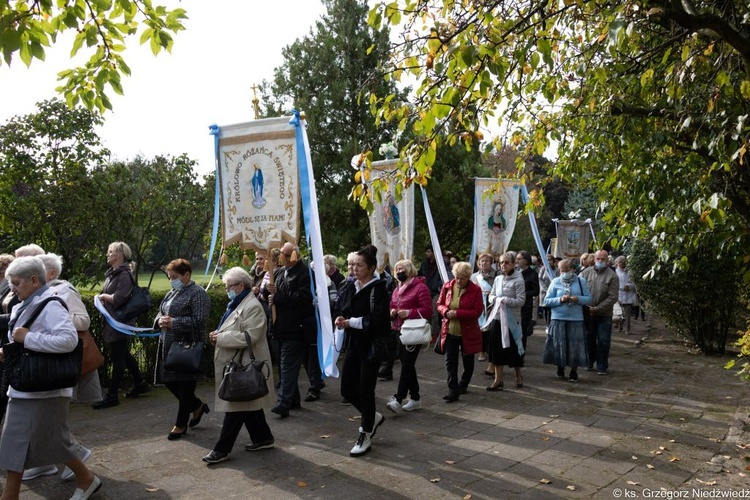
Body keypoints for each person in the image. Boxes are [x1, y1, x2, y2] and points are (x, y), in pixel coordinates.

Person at [0, 256, 102, 500]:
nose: (12, 288)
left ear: (34, 280)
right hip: (27, 386)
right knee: (32, 441)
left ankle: (85, 479)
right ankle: (85, 479)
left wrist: (27, 339)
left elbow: (68, 340)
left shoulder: (51, 304)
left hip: (44, 388)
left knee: (43, 441)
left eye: (16, 283)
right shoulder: (26, 302)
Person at [33, 253, 97, 482]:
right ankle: (48, 461)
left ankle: (75, 455)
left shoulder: (64, 291)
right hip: (50, 359)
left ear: (50, 273)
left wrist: (56, 320)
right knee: (50, 415)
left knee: (54, 416)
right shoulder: (45, 292)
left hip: (63, 361)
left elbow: (83, 320)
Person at [202, 267, 276, 464]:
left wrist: (221, 338)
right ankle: (263, 438)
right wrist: (218, 335)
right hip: (237, 362)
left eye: (229, 286)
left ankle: (222, 449)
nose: (226, 289)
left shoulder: (252, 305)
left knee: (236, 407)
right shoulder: (237, 303)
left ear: (240, 286)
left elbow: (250, 336)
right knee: (249, 404)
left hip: (243, 365)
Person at [335, 245, 389, 456]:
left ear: (372, 267)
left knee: (366, 390)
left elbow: (378, 320)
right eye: (351, 264)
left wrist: (351, 322)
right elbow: (342, 308)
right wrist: (340, 319)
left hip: (371, 346)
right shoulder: (350, 286)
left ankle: (365, 432)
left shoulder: (378, 289)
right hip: (354, 345)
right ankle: (372, 417)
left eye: (359, 265)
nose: (353, 268)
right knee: (347, 389)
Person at [153, 259, 211, 440]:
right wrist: (160, 321)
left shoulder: (198, 293)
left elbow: (200, 321)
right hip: (168, 345)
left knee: (185, 386)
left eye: (175, 277)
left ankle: (180, 424)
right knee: (170, 381)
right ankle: (197, 406)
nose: (171, 280)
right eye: (170, 277)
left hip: (187, 347)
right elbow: (160, 312)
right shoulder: (172, 292)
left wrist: (174, 323)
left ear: (186, 275)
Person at [94, 241, 149, 409]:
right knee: (123, 353)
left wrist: (102, 297)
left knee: (117, 358)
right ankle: (140, 382)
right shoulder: (113, 274)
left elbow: (119, 298)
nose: (107, 254)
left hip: (119, 322)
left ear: (119, 255)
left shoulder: (124, 275)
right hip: (114, 321)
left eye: (110, 252)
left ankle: (112, 395)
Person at [263, 242, 316, 417]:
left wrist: (278, 296)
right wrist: (267, 291)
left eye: (288, 255)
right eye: (282, 255)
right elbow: (267, 294)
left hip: (295, 329)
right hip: (277, 328)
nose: (284, 258)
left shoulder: (305, 274)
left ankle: (283, 403)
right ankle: (293, 399)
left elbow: (304, 298)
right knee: (284, 366)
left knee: (287, 367)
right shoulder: (278, 272)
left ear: (296, 255)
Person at [385, 259, 432, 414]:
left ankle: (398, 399)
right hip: (399, 330)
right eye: (397, 268)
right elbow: (393, 305)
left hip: (414, 331)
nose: (399, 271)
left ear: (410, 270)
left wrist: (409, 313)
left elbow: (427, 310)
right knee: (407, 364)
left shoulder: (420, 287)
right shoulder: (397, 288)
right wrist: (392, 312)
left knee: (406, 364)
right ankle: (415, 398)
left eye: (402, 268)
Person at [435, 262, 483, 402]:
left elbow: (477, 312)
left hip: (467, 331)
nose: (458, 280)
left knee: (468, 361)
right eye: (456, 277)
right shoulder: (447, 286)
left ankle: (464, 383)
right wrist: (445, 311)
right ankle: (453, 390)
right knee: (450, 361)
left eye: (461, 278)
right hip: (449, 330)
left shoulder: (476, 290)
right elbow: (439, 304)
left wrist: (457, 314)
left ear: (468, 277)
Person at [542, 259, 592, 381]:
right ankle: (560, 366)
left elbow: (589, 299)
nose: (564, 273)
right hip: (558, 318)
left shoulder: (581, 281)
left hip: (576, 319)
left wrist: (578, 299)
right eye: (561, 270)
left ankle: (574, 371)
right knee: (559, 344)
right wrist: (560, 299)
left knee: (576, 345)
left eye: (566, 270)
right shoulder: (555, 282)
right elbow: (546, 301)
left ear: (572, 269)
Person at [486, 252, 526, 391]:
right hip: (497, 318)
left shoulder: (519, 281)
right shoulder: (498, 279)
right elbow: (491, 295)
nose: (503, 265)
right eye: (501, 262)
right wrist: (494, 299)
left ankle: (518, 375)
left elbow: (521, 301)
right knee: (496, 349)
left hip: (511, 320)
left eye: (506, 262)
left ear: (513, 263)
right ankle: (498, 379)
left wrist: (504, 300)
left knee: (514, 349)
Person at [579, 250, 620, 375]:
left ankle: (602, 365)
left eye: (603, 259)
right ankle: (589, 361)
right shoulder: (585, 273)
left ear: (607, 260)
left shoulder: (612, 276)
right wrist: (586, 307)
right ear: (594, 258)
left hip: (604, 314)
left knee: (604, 340)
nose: (600, 261)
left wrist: (596, 309)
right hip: (588, 313)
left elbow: (612, 297)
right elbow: (578, 291)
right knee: (588, 338)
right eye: (598, 258)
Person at [471, 253, 496, 363]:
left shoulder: (497, 275)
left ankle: (490, 351)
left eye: (487, 261)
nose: (484, 263)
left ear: (491, 263)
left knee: (491, 328)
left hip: (492, 304)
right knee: (481, 328)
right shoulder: (474, 276)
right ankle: (481, 351)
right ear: (479, 263)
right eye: (482, 261)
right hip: (479, 304)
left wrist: (492, 292)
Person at [418, 245, 444, 342]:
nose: (427, 253)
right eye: (426, 251)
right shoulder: (424, 264)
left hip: (436, 291)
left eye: (429, 251)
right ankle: (426, 332)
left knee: (434, 311)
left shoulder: (440, 263)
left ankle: (435, 333)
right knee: (426, 312)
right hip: (425, 290)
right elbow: (420, 274)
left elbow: (442, 277)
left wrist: (438, 287)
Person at [515, 250, 539, 349]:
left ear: (526, 260)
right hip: (513, 305)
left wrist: (523, 294)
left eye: (519, 259)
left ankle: (521, 353)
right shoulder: (515, 272)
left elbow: (536, 291)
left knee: (522, 330)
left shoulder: (532, 274)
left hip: (525, 306)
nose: (517, 261)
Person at [615, 256, 636, 335]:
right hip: (619, 294)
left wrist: (629, 286)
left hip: (628, 295)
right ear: (617, 263)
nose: (621, 264)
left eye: (623, 262)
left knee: (627, 313)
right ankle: (620, 327)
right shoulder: (615, 272)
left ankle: (627, 329)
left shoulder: (629, 272)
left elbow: (633, 283)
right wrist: (622, 287)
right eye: (620, 262)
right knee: (619, 313)